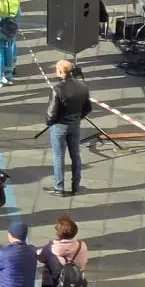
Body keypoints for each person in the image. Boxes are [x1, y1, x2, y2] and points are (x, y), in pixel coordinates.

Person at [43, 60, 91, 196]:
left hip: (60, 126)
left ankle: (59, 187)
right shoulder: (82, 86)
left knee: (58, 156)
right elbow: (88, 108)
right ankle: (76, 186)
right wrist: (77, 118)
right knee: (75, 155)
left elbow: (51, 113)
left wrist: (49, 122)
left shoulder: (57, 89)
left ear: (60, 72)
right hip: (75, 125)